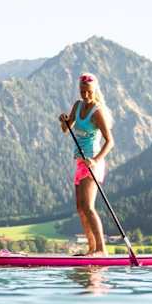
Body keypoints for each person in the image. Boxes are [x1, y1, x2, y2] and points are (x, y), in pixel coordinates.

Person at [58, 73, 115, 256]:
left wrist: (95, 160)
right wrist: (64, 121)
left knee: (89, 207)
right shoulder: (78, 105)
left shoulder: (97, 112)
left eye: (88, 92)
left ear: (94, 90)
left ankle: (101, 250)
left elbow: (110, 141)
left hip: (92, 163)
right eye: (82, 91)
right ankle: (91, 249)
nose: (85, 95)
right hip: (79, 162)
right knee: (80, 208)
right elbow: (66, 129)